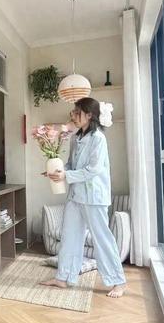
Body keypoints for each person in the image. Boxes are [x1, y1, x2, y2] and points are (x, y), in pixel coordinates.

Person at [43, 97, 128, 298]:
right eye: (73, 112)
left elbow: (93, 169)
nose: (73, 115)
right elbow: (71, 164)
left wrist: (66, 175)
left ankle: (118, 281)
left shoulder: (98, 138)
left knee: (102, 239)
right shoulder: (76, 138)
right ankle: (63, 277)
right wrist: (56, 170)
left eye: (77, 112)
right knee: (69, 236)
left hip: (93, 197)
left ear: (89, 115)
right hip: (76, 196)